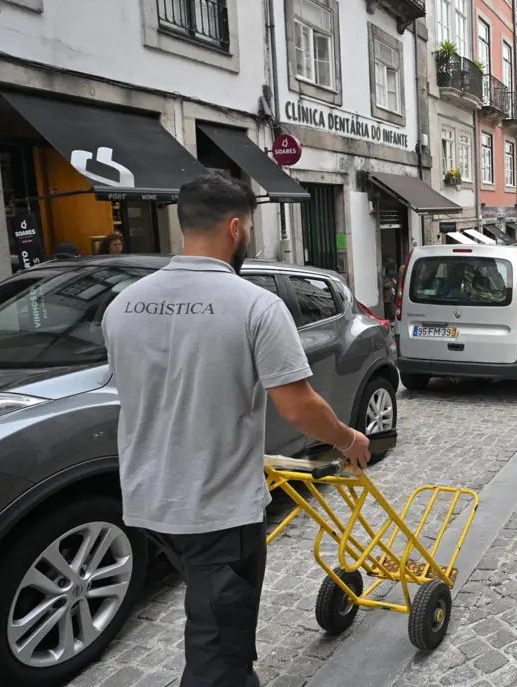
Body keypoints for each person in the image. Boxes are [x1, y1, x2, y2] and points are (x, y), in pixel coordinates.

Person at [101, 172, 370, 687]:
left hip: (147, 500)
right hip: (216, 509)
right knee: (219, 647)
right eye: (249, 226)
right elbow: (298, 407)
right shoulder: (254, 305)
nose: (248, 235)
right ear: (234, 228)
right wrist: (348, 438)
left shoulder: (123, 305)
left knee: (210, 613)